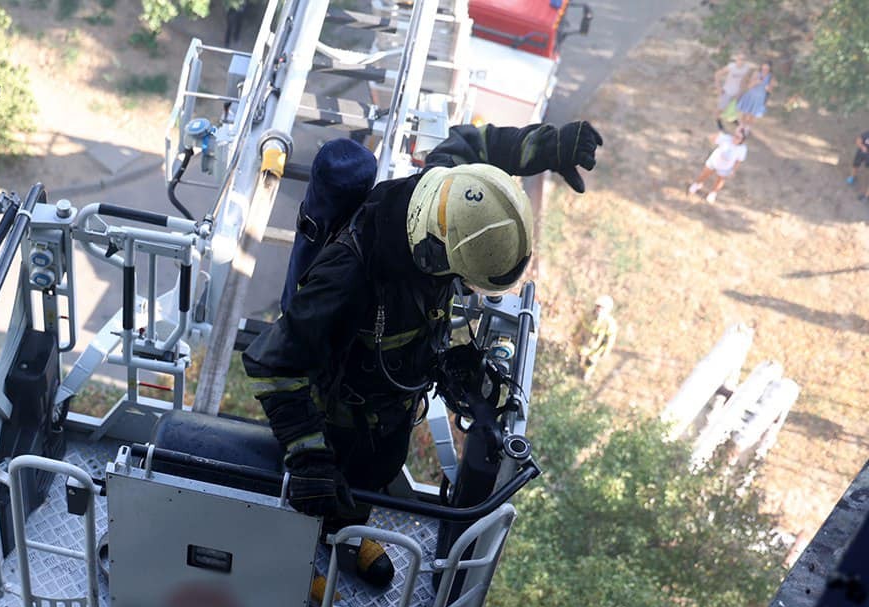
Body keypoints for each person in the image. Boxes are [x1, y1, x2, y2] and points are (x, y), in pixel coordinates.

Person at [242, 121, 603, 533]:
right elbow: (273, 364)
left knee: (377, 472)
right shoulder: (346, 275)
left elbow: (476, 143)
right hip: (345, 421)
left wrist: (546, 146)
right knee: (341, 488)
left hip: (393, 407)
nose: (461, 286)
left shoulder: (442, 194)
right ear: (434, 255)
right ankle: (322, 550)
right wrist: (308, 457)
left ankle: (354, 539)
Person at [689, 126, 748, 204]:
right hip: (714, 161)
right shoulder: (726, 138)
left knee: (720, 180)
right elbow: (710, 139)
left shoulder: (742, 149)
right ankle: (697, 184)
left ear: (742, 140)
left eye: (738, 137)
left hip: (725, 167)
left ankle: (713, 193)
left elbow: (738, 161)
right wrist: (717, 135)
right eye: (735, 135)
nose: (735, 138)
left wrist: (733, 170)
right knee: (704, 174)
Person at [576, 295, 618, 381]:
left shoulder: (609, 323)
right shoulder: (588, 315)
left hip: (596, 347)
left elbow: (611, 339)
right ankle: (578, 366)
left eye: (602, 308)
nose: (599, 309)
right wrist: (575, 334)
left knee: (590, 361)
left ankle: (586, 374)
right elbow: (579, 325)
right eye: (598, 306)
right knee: (579, 354)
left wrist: (606, 350)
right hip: (584, 342)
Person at [713, 53, 753, 131]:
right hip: (727, 91)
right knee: (721, 108)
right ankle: (718, 121)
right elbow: (717, 74)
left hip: (738, 93)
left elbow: (745, 80)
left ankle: (731, 119)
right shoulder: (731, 67)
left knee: (734, 108)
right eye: (740, 59)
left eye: (743, 60)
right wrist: (718, 87)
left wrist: (742, 91)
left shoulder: (746, 68)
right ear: (736, 60)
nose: (741, 61)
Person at [736, 61, 775, 130]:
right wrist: (756, 82)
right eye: (764, 67)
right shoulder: (756, 73)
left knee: (752, 115)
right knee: (745, 113)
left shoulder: (771, 77)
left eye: (767, 68)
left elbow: (771, 91)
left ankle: (747, 130)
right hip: (751, 95)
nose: (765, 69)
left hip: (760, 98)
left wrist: (768, 88)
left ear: (770, 69)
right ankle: (741, 127)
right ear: (762, 66)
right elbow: (749, 86)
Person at [847, 129, 869, 201]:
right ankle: (852, 177)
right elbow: (858, 140)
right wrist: (862, 147)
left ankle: (866, 196)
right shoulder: (867, 134)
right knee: (855, 165)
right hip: (862, 153)